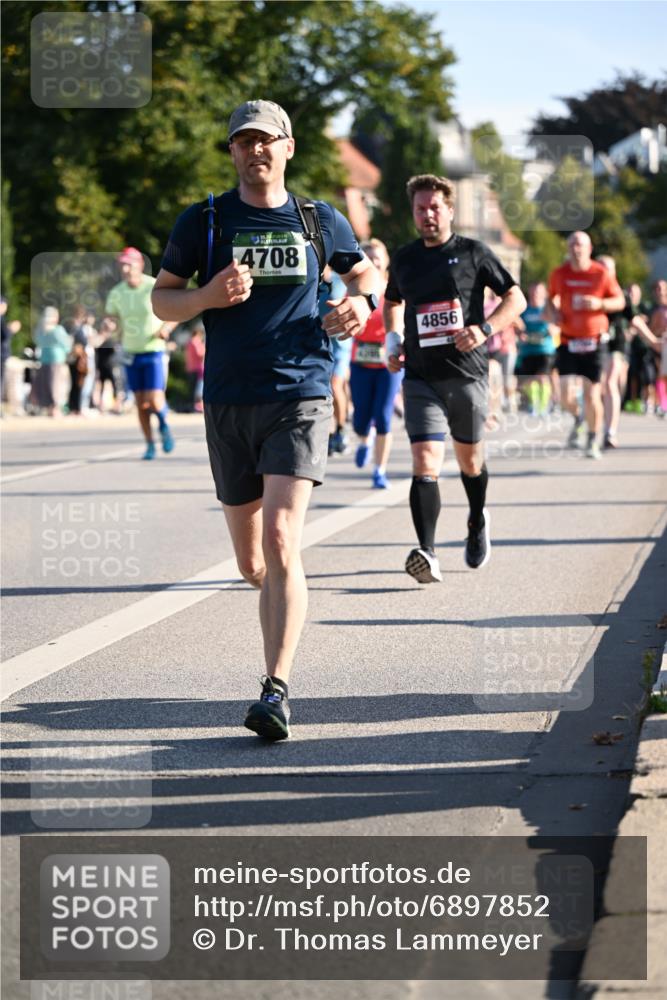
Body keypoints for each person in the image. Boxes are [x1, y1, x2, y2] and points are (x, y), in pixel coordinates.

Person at [152, 99, 380, 740]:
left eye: (266, 140)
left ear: (289, 147)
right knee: (253, 564)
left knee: (283, 540)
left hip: (301, 394)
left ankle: (275, 690)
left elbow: (366, 275)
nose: (255, 150)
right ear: (231, 152)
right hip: (228, 400)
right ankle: (277, 594)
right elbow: (162, 298)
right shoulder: (206, 220)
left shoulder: (319, 219)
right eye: (243, 141)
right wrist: (204, 296)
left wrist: (358, 305)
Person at [384, 174, 526, 584]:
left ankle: (477, 520)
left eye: (434, 207)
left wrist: (484, 329)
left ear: (449, 210)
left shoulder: (473, 253)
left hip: (466, 375)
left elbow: (515, 297)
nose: (427, 215)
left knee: (469, 462)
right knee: (425, 460)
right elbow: (392, 300)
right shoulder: (406, 258)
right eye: (419, 208)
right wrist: (394, 340)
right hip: (421, 377)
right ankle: (427, 552)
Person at [547, 232, 625, 459]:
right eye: (572, 244)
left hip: (594, 341)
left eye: (580, 245)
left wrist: (600, 303)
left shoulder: (601, 273)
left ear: (589, 249)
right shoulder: (559, 273)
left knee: (592, 394)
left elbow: (619, 301)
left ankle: (592, 438)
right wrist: (554, 314)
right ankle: (579, 416)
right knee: (563, 394)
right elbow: (550, 300)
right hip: (568, 340)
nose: (575, 248)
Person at [104, 247, 176, 459]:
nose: (125, 269)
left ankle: (163, 425)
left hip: (154, 351)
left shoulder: (153, 286)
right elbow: (113, 319)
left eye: (129, 264)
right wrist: (109, 325)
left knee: (153, 399)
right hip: (130, 352)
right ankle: (150, 444)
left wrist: (166, 328)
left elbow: (177, 310)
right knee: (140, 404)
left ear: (140, 265)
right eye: (122, 265)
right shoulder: (117, 292)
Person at [349, 238, 403, 489]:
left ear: (386, 260)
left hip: (386, 363)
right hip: (360, 361)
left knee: (383, 416)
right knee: (360, 419)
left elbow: (401, 320)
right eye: (367, 255)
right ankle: (364, 439)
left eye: (377, 255)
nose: (372, 259)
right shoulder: (355, 286)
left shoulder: (394, 288)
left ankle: (379, 471)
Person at [318, 267, 351, 455]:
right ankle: (328, 433)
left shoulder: (342, 279)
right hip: (317, 342)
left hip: (339, 344)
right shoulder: (312, 280)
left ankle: (341, 428)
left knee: (335, 385)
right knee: (323, 389)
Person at [515, 282, 557, 417]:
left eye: (538, 293)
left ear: (544, 294)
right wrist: (520, 334)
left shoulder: (548, 309)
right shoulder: (525, 310)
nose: (535, 295)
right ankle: (533, 404)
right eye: (532, 293)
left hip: (545, 350)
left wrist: (553, 330)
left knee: (542, 377)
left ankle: (543, 407)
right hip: (528, 350)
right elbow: (518, 327)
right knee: (527, 380)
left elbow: (558, 326)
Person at [31, 307, 71, 416]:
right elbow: (67, 345)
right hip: (57, 359)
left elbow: (37, 341)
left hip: (44, 359)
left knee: (46, 384)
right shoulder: (57, 330)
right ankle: (55, 408)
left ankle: (49, 407)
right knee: (56, 384)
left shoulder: (40, 330)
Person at [185, 324, 206, 413]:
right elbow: (200, 354)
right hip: (198, 368)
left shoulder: (189, 342)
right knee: (198, 389)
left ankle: (192, 405)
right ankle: (196, 406)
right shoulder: (196, 341)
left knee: (192, 388)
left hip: (190, 367)